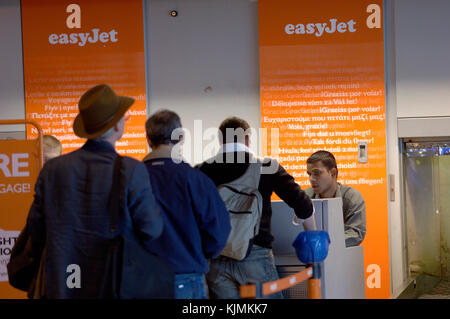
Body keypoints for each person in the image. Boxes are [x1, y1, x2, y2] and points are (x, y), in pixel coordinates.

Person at [22, 84, 163, 298]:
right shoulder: (131, 170)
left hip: (62, 284)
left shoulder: (52, 170)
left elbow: (36, 227)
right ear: (117, 127)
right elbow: (151, 229)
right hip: (112, 283)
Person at [197, 116, 316, 299]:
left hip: (216, 258)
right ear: (247, 138)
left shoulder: (202, 170)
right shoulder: (267, 167)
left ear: (221, 140)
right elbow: (303, 206)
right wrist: (312, 243)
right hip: (255, 255)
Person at [142, 109, 231, 299]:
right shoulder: (196, 179)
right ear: (181, 137)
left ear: (148, 139)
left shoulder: (132, 178)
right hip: (187, 276)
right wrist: (198, 253)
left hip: (143, 278)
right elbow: (218, 231)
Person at [305, 150, 366, 247]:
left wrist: (324, 242)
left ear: (333, 173)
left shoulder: (352, 197)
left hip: (341, 255)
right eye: (309, 174)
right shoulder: (305, 197)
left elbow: (356, 233)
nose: (311, 179)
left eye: (317, 173)